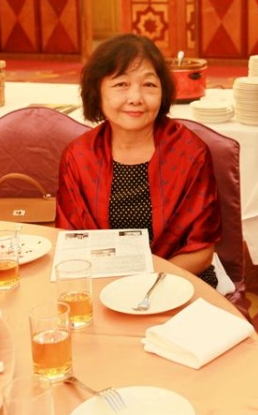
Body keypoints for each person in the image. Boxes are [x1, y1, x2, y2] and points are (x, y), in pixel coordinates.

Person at [56, 34, 222, 285]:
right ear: (97, 91)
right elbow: (71, 242)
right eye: (121, 84)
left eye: (149, 85)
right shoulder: (79, 156)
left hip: (177, 281)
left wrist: (140, 284)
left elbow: (201, 252)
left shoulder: (190, 153)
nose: (136, 98)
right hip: (101, 282)